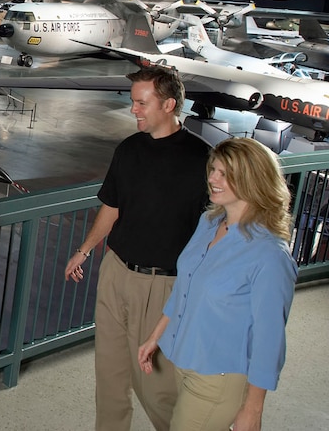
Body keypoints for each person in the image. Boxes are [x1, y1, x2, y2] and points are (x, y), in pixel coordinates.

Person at [63, 65, 210, 431]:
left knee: (156, 388)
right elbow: (111, 208)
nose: (134, 110)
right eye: (133, 102)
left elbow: (216, 231)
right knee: (109, 379)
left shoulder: (204, 161)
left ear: (169, 105)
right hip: (116, 272)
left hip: (163, 285)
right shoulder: (128, 149)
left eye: (141, 103)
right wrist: (83, 251)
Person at [138, 137, 297, 431]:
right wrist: (156, 336)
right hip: (183, 360)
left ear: (253, 180)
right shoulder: (209, 222)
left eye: (225, 174)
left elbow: (269, 339)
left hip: (219, 378)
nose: (212, 178)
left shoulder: (269, 255)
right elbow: (185, 289)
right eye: (213, 169)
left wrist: (252, 409)